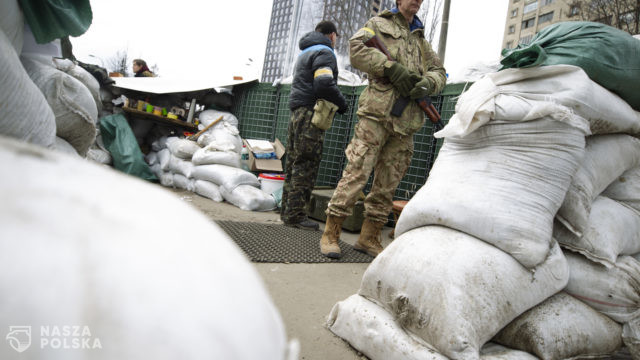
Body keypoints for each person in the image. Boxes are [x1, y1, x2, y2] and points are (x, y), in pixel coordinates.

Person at [320, 0, 446, 258]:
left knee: (388, 183)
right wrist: (389, 67)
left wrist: (428, 83)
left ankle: (369, 236)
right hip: (376, 115)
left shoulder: (421, 41)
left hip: (406, 122)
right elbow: (356, 48)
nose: (417, 1)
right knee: (357, 171)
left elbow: (440, 72)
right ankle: (331, 233)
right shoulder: (379, 24)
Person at [281, 20, 348, 231]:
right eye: (336, 37)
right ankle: (297, 215)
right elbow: (324, 83)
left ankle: (288, 211)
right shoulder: (325, 52)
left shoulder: (304, 53)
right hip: (311, 113)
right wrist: (342, 104)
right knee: (306, 163)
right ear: (332, 35)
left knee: (293, 161)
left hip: (297, 112)